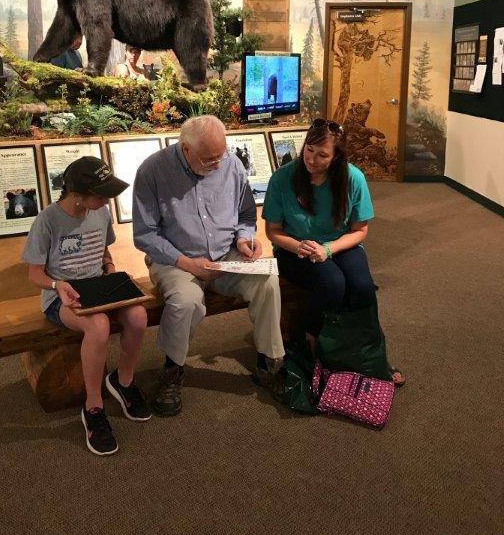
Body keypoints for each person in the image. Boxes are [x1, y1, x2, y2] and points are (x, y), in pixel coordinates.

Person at [132, 115, 286, 416]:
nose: (217, 164)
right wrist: (186, 262)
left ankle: (270, 363)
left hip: (226, 254)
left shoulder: (231, 163)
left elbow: (245, 215)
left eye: (220, 155)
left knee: (267, 281)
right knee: (186, 301)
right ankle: (172, 370)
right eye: (208, 159)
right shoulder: (152, 170)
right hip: (174, 258)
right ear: (185, 148)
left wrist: (244, 239)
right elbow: (144, 234)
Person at [21, 156, 151, 456]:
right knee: (98, 325)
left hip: (97, 285)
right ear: (77, 195)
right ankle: (93, 406)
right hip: (61, 295)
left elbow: (102, 248)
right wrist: (57, 285)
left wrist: (109, 266)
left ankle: (123, 381)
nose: (107, 202)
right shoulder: (47, 221)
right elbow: (34, 274)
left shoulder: (100, 213)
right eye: (101, 195)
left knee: (138, 315)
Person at [262, 118, 404, 386]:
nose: (311, 159)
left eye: (322, 154)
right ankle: (313, 340)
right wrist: (299, 245)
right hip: (295, 249)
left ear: (337, 157)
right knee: (332, 283)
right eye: (309, 150)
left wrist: (328, 249)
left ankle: (368, 350)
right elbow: (274, 231)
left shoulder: (353, 178)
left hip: (339, 243)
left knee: (362, 286)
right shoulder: (284, 177)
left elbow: (360, 231)